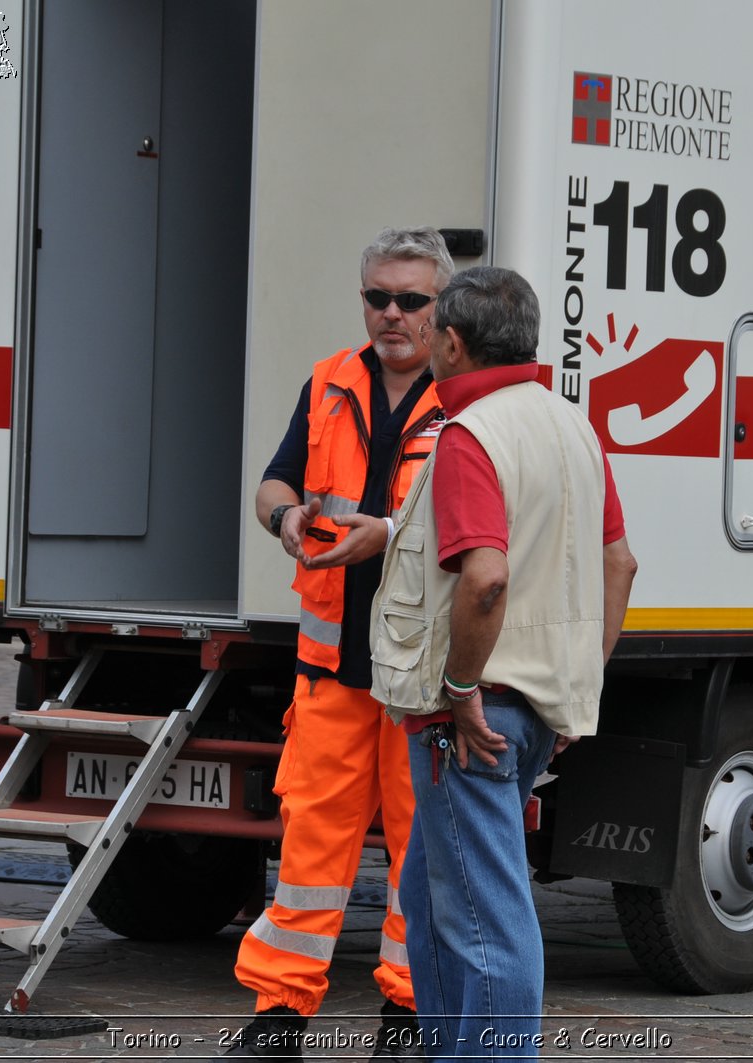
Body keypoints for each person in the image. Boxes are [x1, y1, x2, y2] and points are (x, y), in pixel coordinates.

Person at [370, 266, 638, 1061]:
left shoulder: (470, 434)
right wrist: (574, 683)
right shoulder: (574, 427)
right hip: (531, 706)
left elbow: (484, 576)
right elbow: (619, 564)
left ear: (451, 343)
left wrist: (458, 693)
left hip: (474, 712)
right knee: (429, 893)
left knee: (484, 916)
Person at [228, 227, 454, 1059]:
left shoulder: (465, 398)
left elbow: (473, 526)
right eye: (377, 297)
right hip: (329, 671)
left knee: (417, 854)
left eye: (410, 300)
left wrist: (387, 535)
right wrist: (285, 514)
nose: (391, 315)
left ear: (442, 309)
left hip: (420, 674)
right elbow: (273, 483)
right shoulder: (328, 382)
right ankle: (278, 1018)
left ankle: (406, 1019)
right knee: (309, 850)